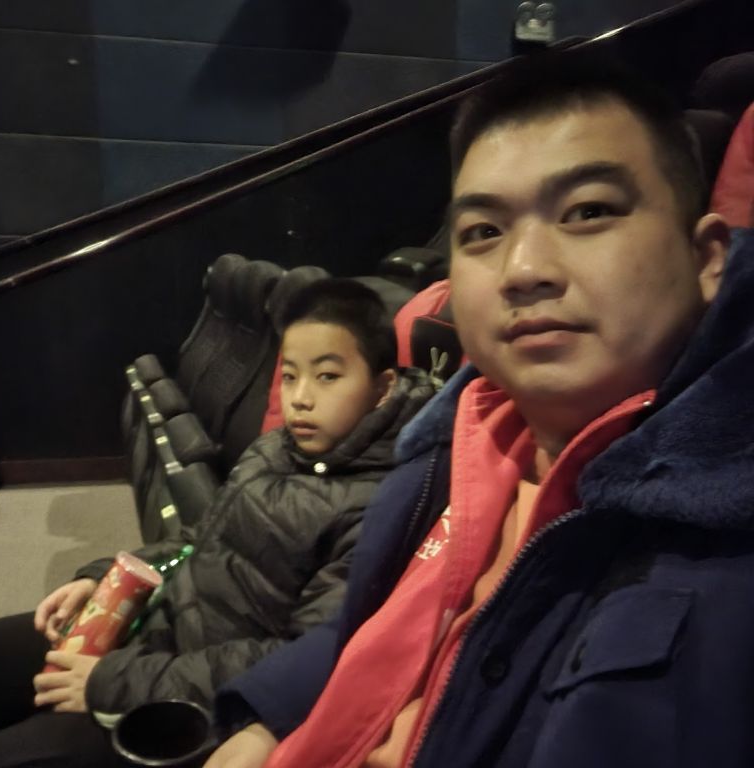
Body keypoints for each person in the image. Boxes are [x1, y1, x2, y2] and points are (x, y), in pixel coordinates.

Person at [206, 51, 752, 768]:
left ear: (707, 256)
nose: (523, 269)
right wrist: (266, 719)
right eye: (483, 233)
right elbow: (376, 620)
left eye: (588, 212)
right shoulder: (453, 444)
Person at [0, 279, 437, 767]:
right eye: (289, 375)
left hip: (194, 710)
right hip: (162, 631)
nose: (300, 398)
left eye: (327, 376)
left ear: (382, 387)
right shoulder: (277, 448)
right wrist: (103, 579)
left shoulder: (381, 502)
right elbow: (198, 541)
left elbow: (297, 663)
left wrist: (115, 683)